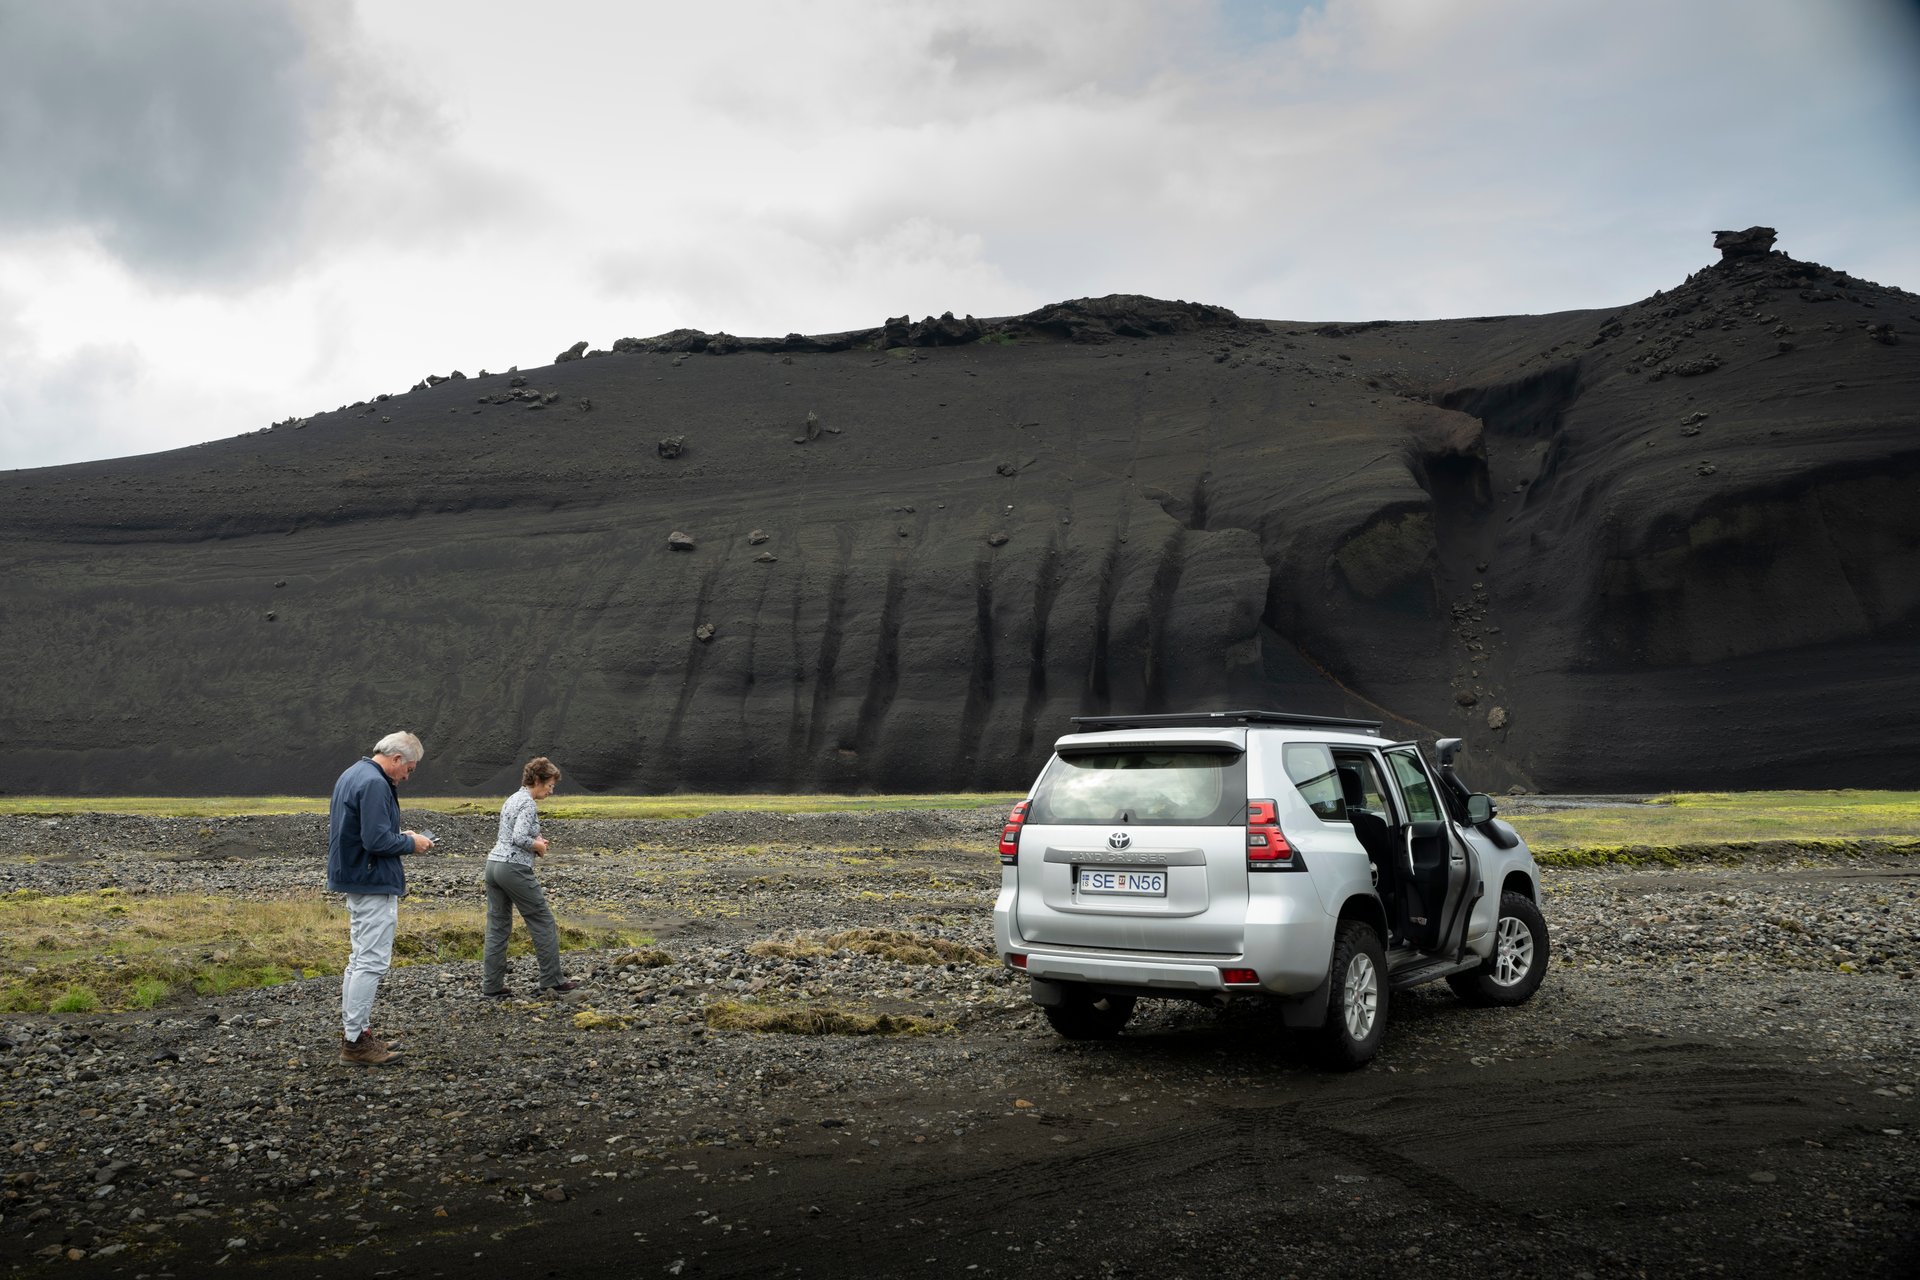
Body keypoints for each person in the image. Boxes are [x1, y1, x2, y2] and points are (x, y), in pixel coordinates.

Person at [327, 731, 434, 1066]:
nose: (407, 776)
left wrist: (399, 836)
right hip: (373, 879)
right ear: (397, 759)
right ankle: (355, 1042)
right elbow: (375, 841)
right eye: (410, 769)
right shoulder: (375, 783)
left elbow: (365, 833)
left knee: (359, 959)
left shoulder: (353, 773)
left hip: (356, 875)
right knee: (370, 962)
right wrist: (410, 844)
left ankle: (358, 1032)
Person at [481, 756, 579, 999]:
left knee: (497, 926)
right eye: (550, 785)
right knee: (542, 920)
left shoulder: (512, 799)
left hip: (493, 864)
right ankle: (552, 981)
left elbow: (511, 835)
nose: (551, 791)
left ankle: (491, 987)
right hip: (513, 868)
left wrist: (535, 842)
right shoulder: (528, 803)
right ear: (537, 780)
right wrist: (538, 845)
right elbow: (519, 838)